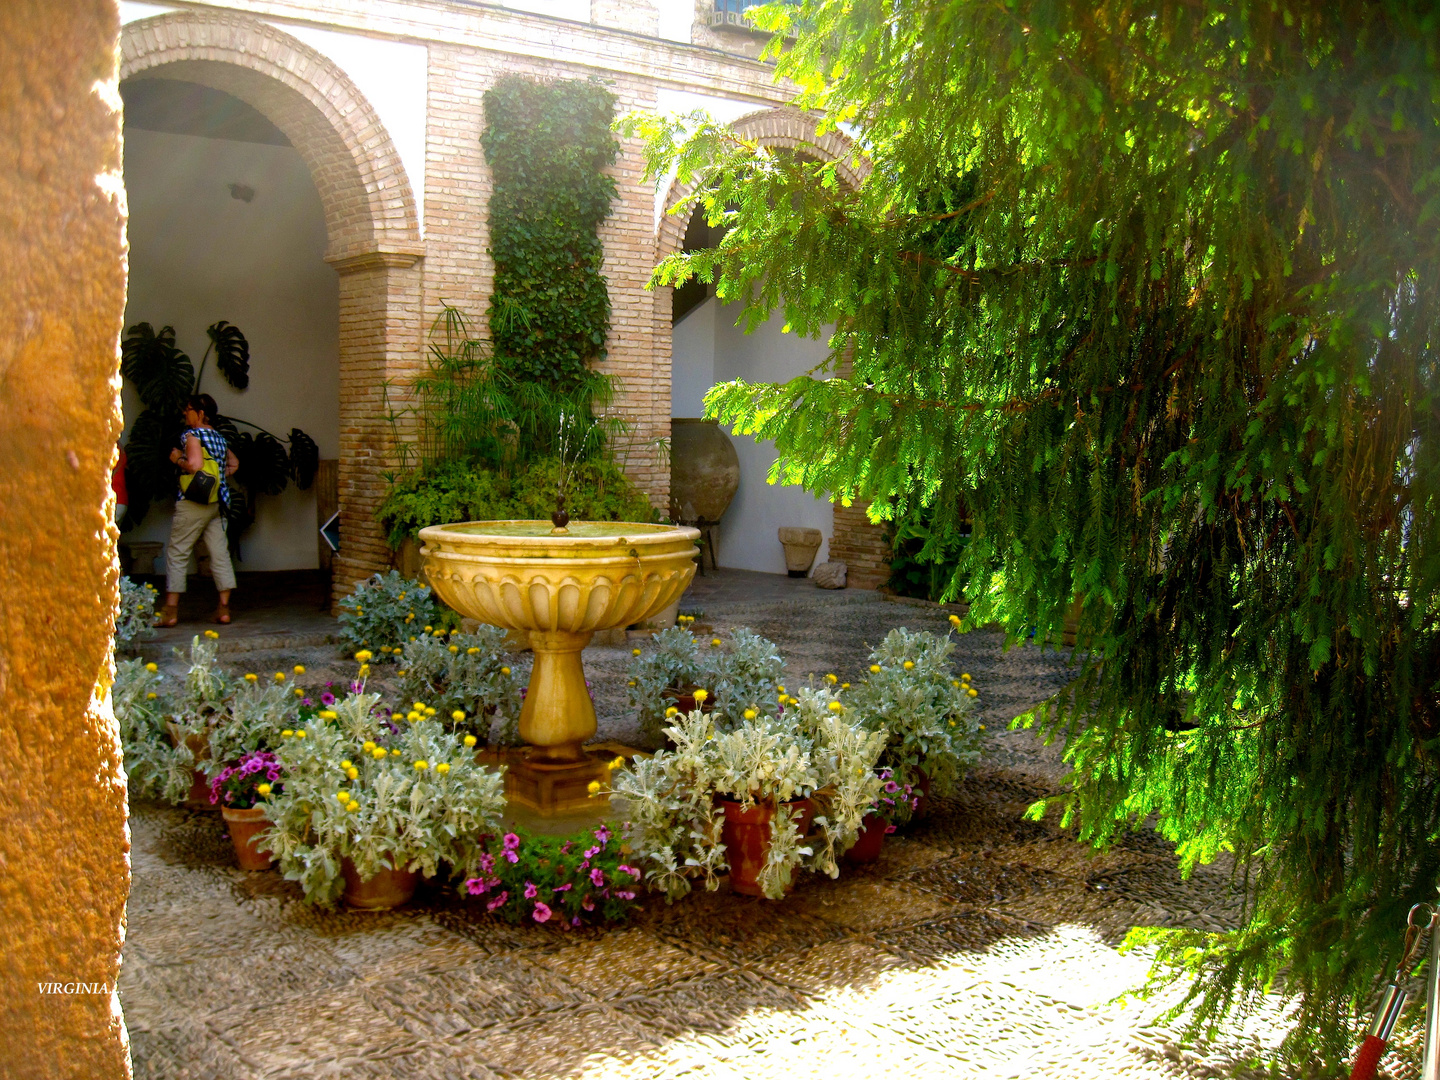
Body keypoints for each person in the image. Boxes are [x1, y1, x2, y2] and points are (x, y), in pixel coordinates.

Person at [157, 394, 239, 627]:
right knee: (220, 554)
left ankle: (170, 610)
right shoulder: (220, 439)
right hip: (217, 504)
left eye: (189, 409)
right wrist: (219, 478)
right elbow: (234, 463)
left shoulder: (191, 435)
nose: (185, 413)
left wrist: (178, 460)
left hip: (194, 502)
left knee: (178, 551)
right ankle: (223, 609)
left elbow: (194, 465)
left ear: (200, 413)